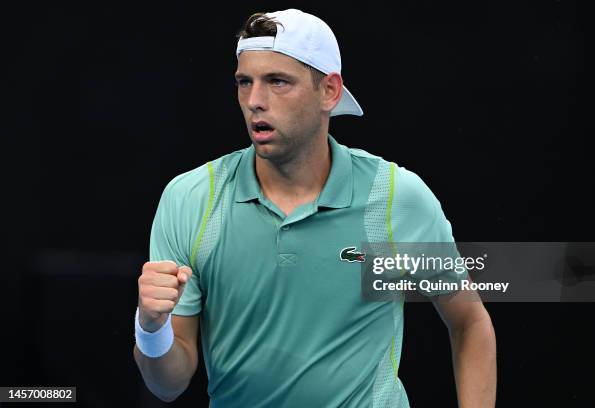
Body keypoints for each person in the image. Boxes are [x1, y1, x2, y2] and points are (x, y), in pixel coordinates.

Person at [133, 8, 496, 407]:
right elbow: (167, 384)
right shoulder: (191, 198)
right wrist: (151, 329)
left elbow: (469, 321)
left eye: (277, 82)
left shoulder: (395, 197)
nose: (254, 101)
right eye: (244, 82)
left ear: (329, 91)